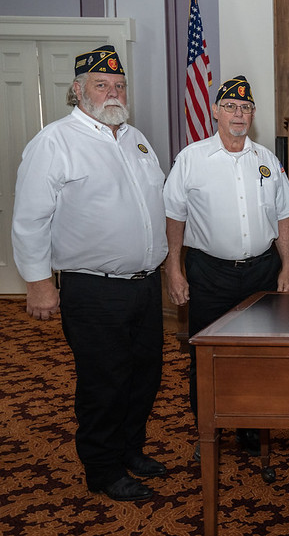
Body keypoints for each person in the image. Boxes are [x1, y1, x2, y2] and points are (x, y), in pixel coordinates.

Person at [11, 45, 168, 501]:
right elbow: (29, 219)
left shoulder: (136, 139)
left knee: (144, 376)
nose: (113, 92)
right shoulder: (55, 142)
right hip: (93, 290)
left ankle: (130, 450)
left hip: (144, 285)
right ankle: (103, 469)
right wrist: (39, 284)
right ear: (78, 91)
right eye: (102, 85)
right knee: (105, 382)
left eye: (119, 85)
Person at [163, 75, 289, 459]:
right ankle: (208, 429)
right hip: (210, 274)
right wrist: (174, 268)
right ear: (215, 111)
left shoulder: (266, 160)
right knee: (205, 356)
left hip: (261, 273)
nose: (238, 114)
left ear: (252, 114)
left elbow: (284, 216)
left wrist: (287, 267)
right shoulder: (191, 158)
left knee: (258, 355)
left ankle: (250, 428)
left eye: (245, 108)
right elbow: (174, 216)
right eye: (230, 107)